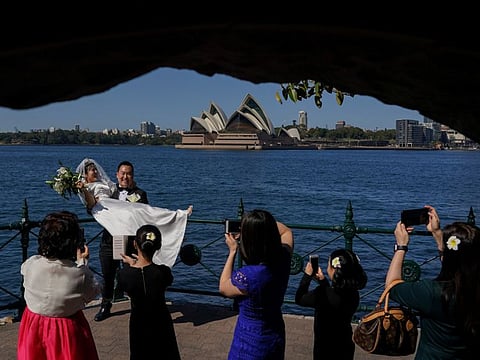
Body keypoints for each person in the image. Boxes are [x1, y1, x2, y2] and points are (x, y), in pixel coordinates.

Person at [75, 158, 192, 321]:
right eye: (122, 173)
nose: (125, 177)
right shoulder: (109, 191)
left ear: (133, 176)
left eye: (128, 174)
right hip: (112, 239)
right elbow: (93, 205)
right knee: (108, 273)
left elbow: (148, 215)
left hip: (132, 242)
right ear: (116, 175)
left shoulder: (140, 194)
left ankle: (138, 304)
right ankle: (106, 305)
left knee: (134, 272)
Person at [386, 205, 480, 359]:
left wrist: (401, 247)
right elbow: (459, 267)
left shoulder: (432, 293)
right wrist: (437, 234)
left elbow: (393, 286)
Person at [17, 211, 101, 360]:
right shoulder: (79, 275)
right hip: (65, 327)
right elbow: (92, 293)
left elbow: (26, 271)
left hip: (33, 324)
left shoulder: (31, 264)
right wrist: (82, 263)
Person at [219, 209, 294, 360]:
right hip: (274, 333)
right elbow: (286, 231)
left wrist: (233, 251)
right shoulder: (283, 259)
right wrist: (262, 225)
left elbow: (224, 287)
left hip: (249, 340)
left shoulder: (250, 276)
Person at [117, 224, 181, 360]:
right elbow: (164, 279)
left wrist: (132, 265)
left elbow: (127, 286)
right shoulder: (163, 272)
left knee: (140, 352)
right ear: (158, 246)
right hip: (161, 318)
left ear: (135, 244)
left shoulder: (124, 274)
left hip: (138, 320)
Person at [295, 248, 367, 359]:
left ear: (333, 269)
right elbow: (333, 297)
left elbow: (300, 298)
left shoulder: (322, 293)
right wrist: (323, 281)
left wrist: (307, 276)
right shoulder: (353, 294)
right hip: (345, 345)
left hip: (324, 347)